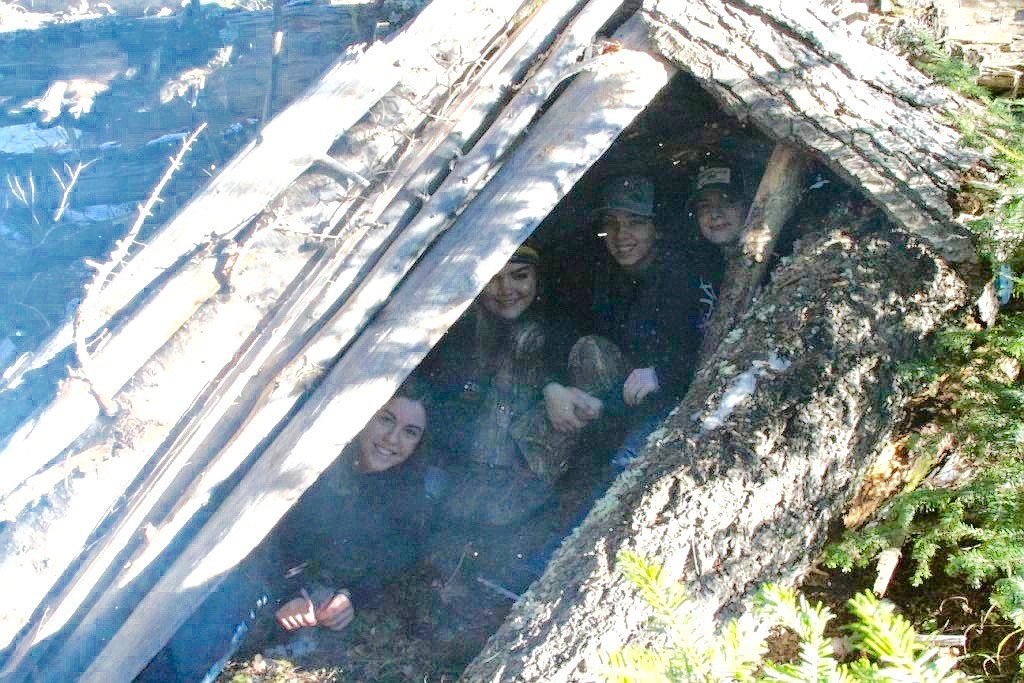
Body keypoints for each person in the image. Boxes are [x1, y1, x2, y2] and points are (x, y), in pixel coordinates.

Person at [139, 380, 435, 682]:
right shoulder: (320, 459)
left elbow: (392, 559)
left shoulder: (403, 498)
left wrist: (349, 597)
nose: (392, 439)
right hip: (234, 564)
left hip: (271, 592)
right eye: (386, 419)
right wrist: (287, 596)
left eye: (410, 432)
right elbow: (262, 531)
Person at [422, 243, 623, 593]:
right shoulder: (461, 329)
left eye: (520, 276)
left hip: (536, 465)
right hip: (472, 463)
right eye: (494, 280)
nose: (507, 291)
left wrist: (553, 386)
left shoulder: (551, 320)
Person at [586, 174, 707, 466]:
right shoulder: (609, 276)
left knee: (628, 466)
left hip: (675, 401)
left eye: (635, 222)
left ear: (658, 229)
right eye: (611, 224)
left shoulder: (684, 273)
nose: (620, 235)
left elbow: (706, 351)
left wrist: (662, 374)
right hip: (632, 398)